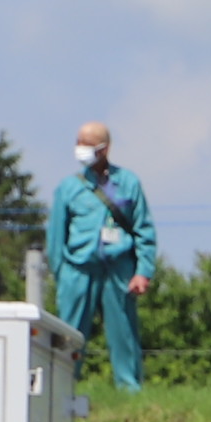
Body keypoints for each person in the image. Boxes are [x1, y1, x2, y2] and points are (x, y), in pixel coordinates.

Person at [48, 123, 156, 392]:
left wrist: (143, 271)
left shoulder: (128, 183)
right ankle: (63, 389)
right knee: (70, 334)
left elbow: (144, 229)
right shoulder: (69, 187)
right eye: (79, 142)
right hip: (78, 269)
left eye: (87, 144)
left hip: (118, 268)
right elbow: (55, 236)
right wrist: (61, 273)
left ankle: (129, 388)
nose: (81, 149)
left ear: (104, 148)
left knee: (124, 333)